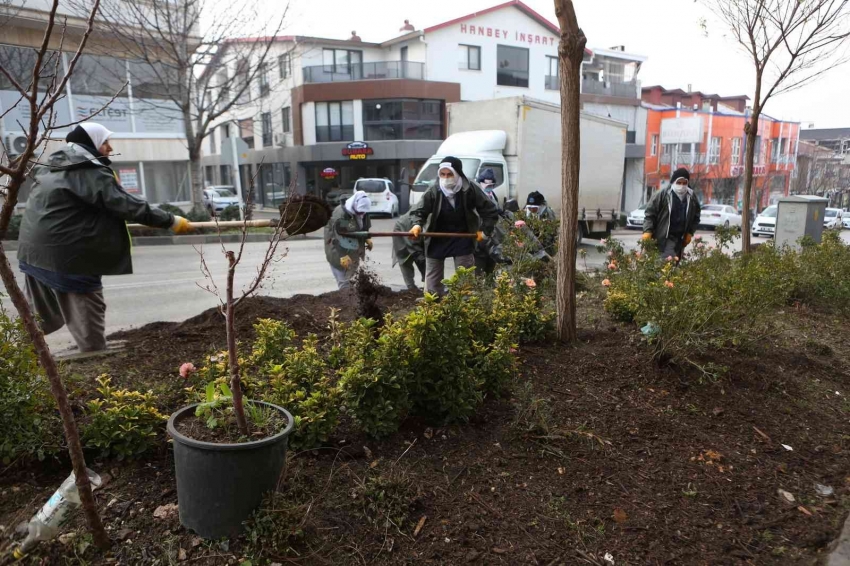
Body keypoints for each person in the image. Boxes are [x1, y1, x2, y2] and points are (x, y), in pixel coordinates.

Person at [17, 122, 190, 352]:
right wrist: (171, 221)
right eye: (104, 142)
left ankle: (22, 357)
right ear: (90, 144)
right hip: (68, 254)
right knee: (85, 302)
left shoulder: (51, 165)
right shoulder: (87, 171)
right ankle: (94, 353)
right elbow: (126, 205)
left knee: (39, 315)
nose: (109, 147)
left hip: (32, 250)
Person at [408, 156, 498, 295]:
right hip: (436, 236)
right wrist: (416, 225)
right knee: (433, 280)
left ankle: (464, 306)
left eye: (449, 174)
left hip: (463, 235)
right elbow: (419, 210)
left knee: (465, 277)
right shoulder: (434, 190)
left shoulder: (470, 188)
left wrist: (484, 231)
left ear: (458, 174)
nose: (446, 178)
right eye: (442, 174)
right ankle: (434, 307)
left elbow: (490, 210)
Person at [642, 167, 702, 259]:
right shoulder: (662, 195)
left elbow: (696, 216)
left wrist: (690, 232)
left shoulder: (691, 197)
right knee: (667, 262)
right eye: (679, 182)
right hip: (665, 236)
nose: (681, 186)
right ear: (673, 182)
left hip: (680, 238)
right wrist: (648, 231)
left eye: (684, 183)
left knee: (675, 262)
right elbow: (650, 214)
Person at [324, 190, 372, 290]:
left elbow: (364, 227)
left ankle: (351, 297)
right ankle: (345, 300)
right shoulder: (341, 214)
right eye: (360, 211)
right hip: (336, 249)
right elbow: (337, 237)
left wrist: (366, 238)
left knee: (352, 276)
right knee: (343, 279)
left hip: (352, 246)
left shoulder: (363, 212)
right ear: (355, 205)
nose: (361, 214)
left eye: (363, 212)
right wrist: (342, 256)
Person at [391, 209, 426, 291]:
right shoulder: (410, 220)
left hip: (417, 237)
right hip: (404, 238)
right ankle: (412, 288)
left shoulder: (424, 212)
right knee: (407, 261)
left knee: (423, 259)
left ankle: (428, 284)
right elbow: (415, 247)